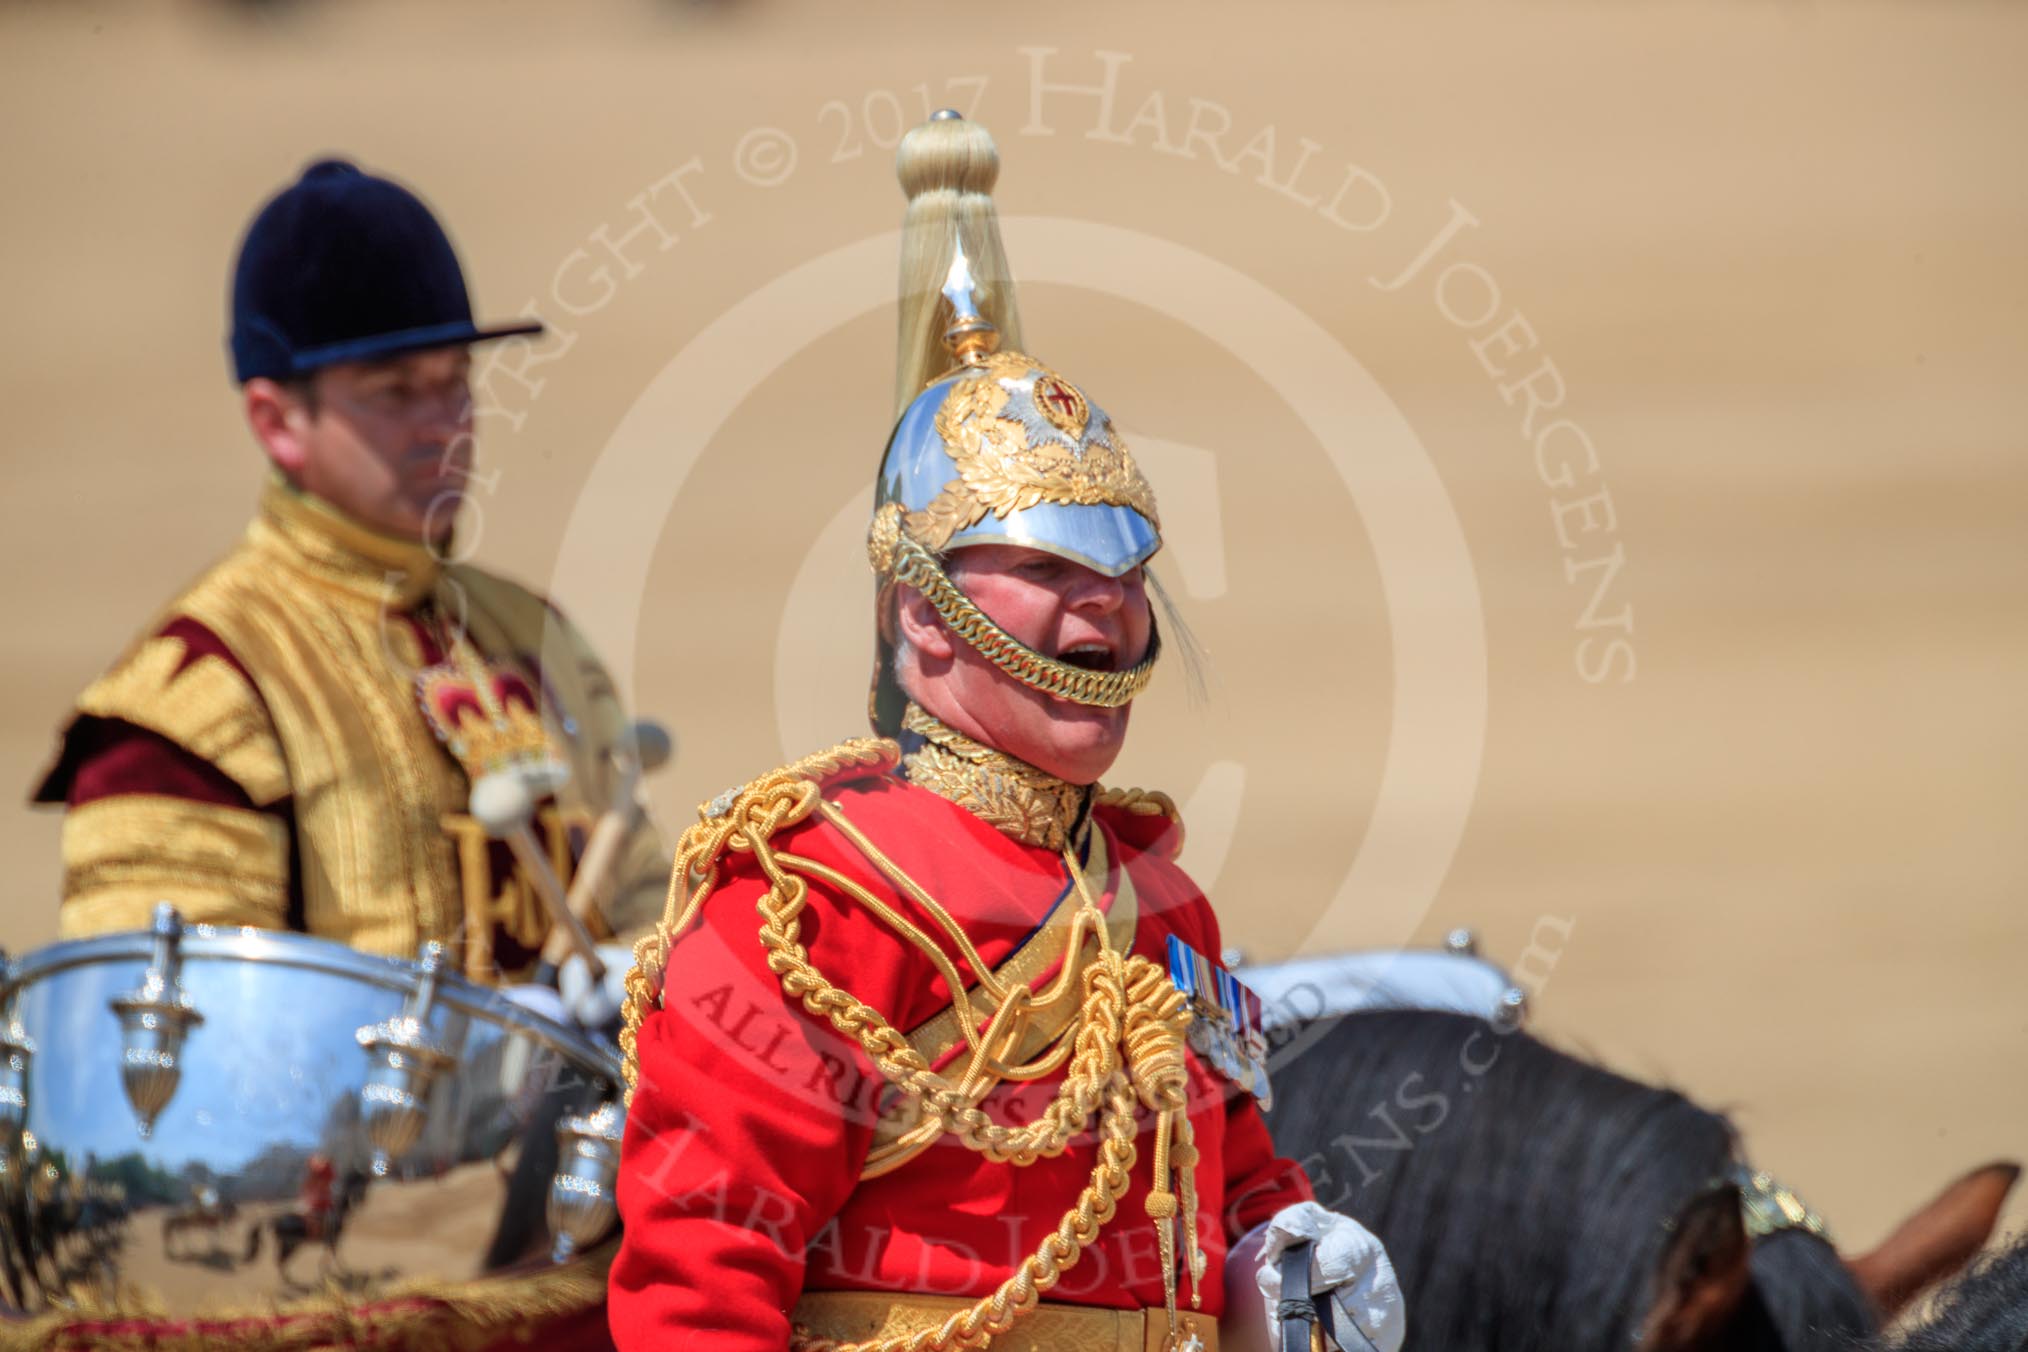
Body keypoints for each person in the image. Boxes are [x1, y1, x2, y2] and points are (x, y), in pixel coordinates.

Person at [610, 114, 1404, 1352]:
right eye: (1045, 567)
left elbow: (1232, 1188)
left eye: (1124, 567)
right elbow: (701, 1283)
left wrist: (1290, 1242)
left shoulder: (1160, 905)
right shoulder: (809, 899)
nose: (1105, 603)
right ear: (919, 620)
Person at [31, 158, 666, 993]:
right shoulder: (196, 694)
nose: (447, 426)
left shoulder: (533, 635)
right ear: (277, 420)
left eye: (456, 382)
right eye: (396, 390)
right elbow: (178, 1042)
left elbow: (648, 899)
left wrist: (647, 979)